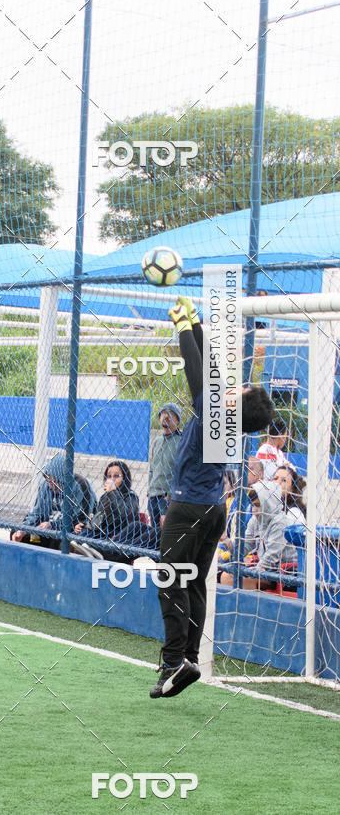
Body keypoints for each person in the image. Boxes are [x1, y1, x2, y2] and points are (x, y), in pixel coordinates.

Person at [150, 296, 274, 700]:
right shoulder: (228, 417)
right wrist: (198, 324)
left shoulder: (217, 412)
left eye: (242, 387)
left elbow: (196, 372)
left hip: (188, 510)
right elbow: (212, 373)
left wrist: (185, 327)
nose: (234, 386)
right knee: (196, 583)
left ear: (239, 402)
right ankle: (188, 657)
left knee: (170, 579)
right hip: (215, 510)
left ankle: (173, 662)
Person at [222, 479, 304, 590]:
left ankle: (245, 607)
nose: (254, 510)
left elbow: (271, 557)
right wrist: (226, 541)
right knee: (226, 575)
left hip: (286, 573)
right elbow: (243, 547)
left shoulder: (280, 521)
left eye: (257, 505)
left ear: (268, 503)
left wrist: (253, 570)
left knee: (238, 579)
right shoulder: (255, 520)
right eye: (253, 506)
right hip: (266, 569)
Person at [11, 452, 97, 547]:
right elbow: (37, 514)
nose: (51, 486)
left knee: (58, 540)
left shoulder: (80, 486)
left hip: (68, 530)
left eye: (55, 482)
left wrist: (52, 525)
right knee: (15, 532)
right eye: (49, 482)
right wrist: (23, 530)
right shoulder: (46, 486)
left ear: (63, 478)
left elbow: (80, 520)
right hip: (47, 529)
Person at [74, 460, 152, 561]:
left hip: (121, 536)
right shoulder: (105, 497)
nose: (112, 479)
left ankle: (96, 549)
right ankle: (87, 546)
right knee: (85, 532)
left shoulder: (131, 496)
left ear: (125, 479)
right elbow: (99, 521)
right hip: (105, 534)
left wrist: (113, 492)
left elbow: (127, 516)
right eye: (109, 476)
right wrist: (85, 525)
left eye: (116, 476)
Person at [146, 403, 183, 545]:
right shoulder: (156, 441)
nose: (165, 416)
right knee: (154, 534)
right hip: (153, 496)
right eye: (163, 413)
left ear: (177, 420)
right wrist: (150, 490)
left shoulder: (181, 441)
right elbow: (151, 469)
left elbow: (181, 471)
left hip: (168, 497)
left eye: (170, 414)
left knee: (165, 536)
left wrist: (171, 494)